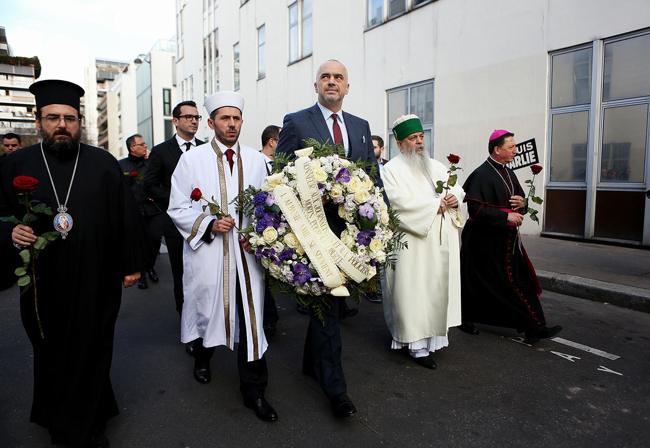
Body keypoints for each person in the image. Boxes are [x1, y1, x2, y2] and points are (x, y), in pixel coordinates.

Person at [0, 79, 144, 447]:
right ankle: (57, 416)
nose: (61, 125)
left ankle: (87, 421)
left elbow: (125, 215)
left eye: (69, 118)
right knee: (50, 349)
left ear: (79, 122)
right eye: (52, 118)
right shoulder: (15, 163)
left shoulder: (102, 162)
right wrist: (10, 231)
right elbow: (0, 215)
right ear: (38, 121)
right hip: (42, 281)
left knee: (93, 347)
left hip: (97, 277)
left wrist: (131, 264)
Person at [275, 59, 384, 417]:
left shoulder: (360, 126)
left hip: (351, 234)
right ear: (317, 85)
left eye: (339, 77)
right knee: (326, 304)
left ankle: (311, 362)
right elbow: (280, 175)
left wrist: (380, 222)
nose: (332, 82)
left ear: (347, 87)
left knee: (331, 305)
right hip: (313, 232)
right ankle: (336, 390)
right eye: (325, 76)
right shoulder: (297, 121)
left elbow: (371, 178)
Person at [168, 91, 277, 422]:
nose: (232, 124)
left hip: (248, 259)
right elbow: (177, 206)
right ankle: (203, 357)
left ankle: (254, 392)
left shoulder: (258, 160)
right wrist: (209, 223)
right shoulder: (192, 160)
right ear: (212, 122)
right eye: (225, 118)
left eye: (237, 118)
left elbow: (271, 204)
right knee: (209, 311)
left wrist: (260, 235)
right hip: (211, 256)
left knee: (251, 321)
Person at [459, 129, 562, 344]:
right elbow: (475, 210)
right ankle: (466, 318)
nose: (515, 150)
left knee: (517, 281)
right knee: (483, 282)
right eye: (511, 147)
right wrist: (506, 218)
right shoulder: (481, 174)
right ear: (497, 150)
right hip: (483, 240)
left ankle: (533, 327)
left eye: (514, 146)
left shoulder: (508, 172)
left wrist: (522, 205)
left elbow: (518, 202)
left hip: (505, 239)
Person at [382, 115, 465, 369]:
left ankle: (433, 340)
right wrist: (432, 206)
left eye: (421, 137)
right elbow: (395, 202)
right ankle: (415, 346)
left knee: (436, 288)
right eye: (412, 138)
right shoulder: (391, 169)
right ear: (399, 143)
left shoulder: (436, 165)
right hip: (413, 244)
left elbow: (458, 188)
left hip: (440, 239)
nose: (419, 142)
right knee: (414, 291)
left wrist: (453, 198)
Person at [143, 101, 204, 353]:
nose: (193, 121)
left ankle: (207, 324)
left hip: (204, 223)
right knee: (183, 276)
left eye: (196, 117)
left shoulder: (206, 148)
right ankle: (189, 329)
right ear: (175, 121)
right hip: (176, 225)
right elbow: (149, 186)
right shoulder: (161, 151)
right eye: (187, 117)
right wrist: (178, 198)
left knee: (203, 274)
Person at [119, 134, 162, 289]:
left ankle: (150, 265)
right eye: (142, 144)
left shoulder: (151, 163)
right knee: (139, 244)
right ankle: (142, 273)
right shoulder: (121, 166)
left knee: (156, 239)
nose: (145, 146)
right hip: (134, 212)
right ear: (132, 148)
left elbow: (160, 182)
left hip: (152, 210)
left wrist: (156, 194)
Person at [259, 125, 281, 337]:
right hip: (263, 225)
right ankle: (268, 318)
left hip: (283, 225)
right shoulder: (254, 163)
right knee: (264, 275)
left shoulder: (285, 166)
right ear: (272, 142)